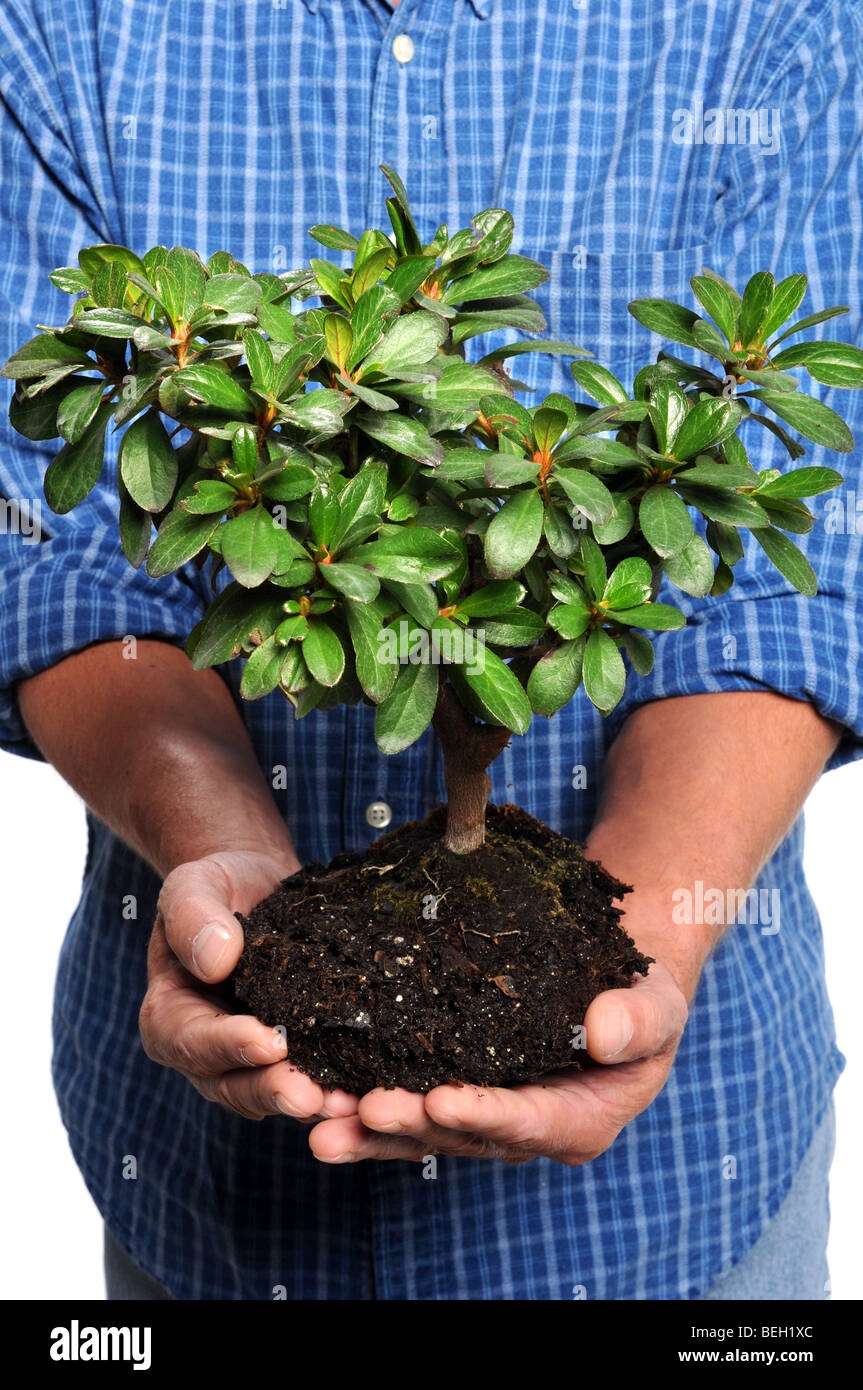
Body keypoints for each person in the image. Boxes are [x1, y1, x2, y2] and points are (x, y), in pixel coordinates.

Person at [1, 0, 860, 1301]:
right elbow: (43, 536)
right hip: (203, 1219)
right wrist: (210, 829)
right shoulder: (59, 25)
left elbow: (796, 557)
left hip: (687, 1216)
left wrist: (650, 927)